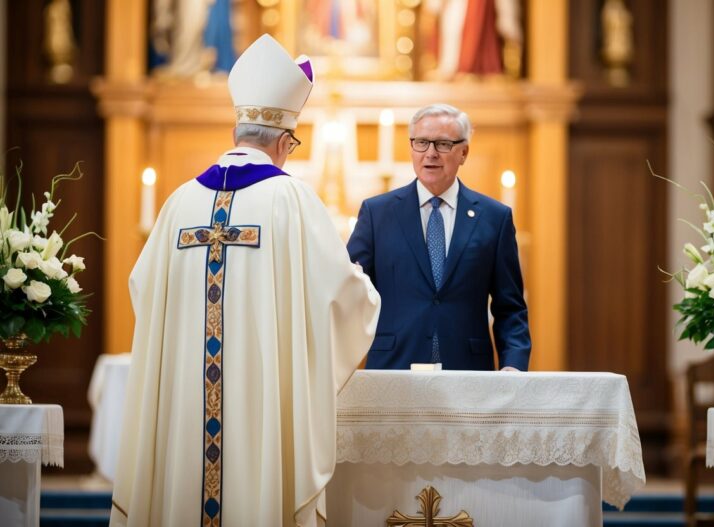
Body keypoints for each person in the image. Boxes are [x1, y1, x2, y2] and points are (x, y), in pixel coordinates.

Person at [110, 34, 380, 527]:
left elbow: (143, 289)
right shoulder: (291, 201)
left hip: (185, 413)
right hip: (261, 404)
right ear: (283, 140)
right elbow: (343, 297)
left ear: (239, 131)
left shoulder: (178, 203)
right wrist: (369, 291)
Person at [347, 103, 530, 371]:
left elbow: (510, 307)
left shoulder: (494, 218)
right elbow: (349, 292)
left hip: (468, 371)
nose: (430, 153)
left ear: (464, 152)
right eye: (421, 142)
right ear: (411, 148)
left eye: (443, 144)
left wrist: (513, 365)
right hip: (394, 369)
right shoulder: (377, 214)